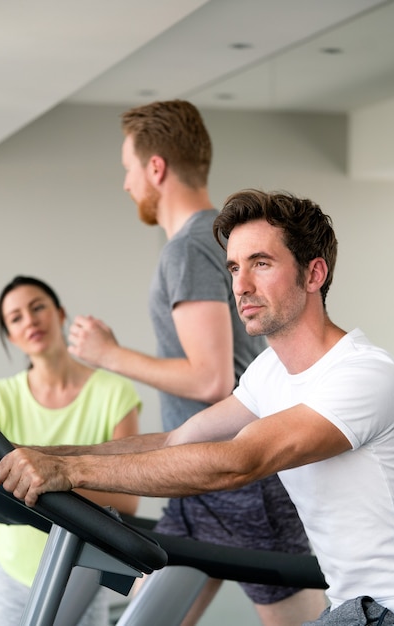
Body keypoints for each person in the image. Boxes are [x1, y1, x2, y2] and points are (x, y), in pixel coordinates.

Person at [0, 189, 394, 626]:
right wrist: (23, 452)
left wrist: (65, 472)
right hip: (355, 607)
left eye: (261, 263)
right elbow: (174, 440)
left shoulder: (364, 374)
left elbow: (237, 462)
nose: (240, 285)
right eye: (233, 267)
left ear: (314, 273)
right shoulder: (269, 372)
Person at [65, 99, 325, 626]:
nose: (126, 183)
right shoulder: (209, 241)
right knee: (148, 617)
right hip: (193, 473)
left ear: (155, 168)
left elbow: (212, 378)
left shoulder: (187, 248)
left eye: (128, 168)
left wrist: (108, 355)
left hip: (240, 475)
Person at [0, 275, 142, 626]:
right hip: (10, 565)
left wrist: (53, 479)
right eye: (16, 317)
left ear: (60, 313)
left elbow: (127, 500)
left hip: (81, 568)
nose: (31, 320)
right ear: (10, 335)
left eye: (38, 308)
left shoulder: (114, 393)